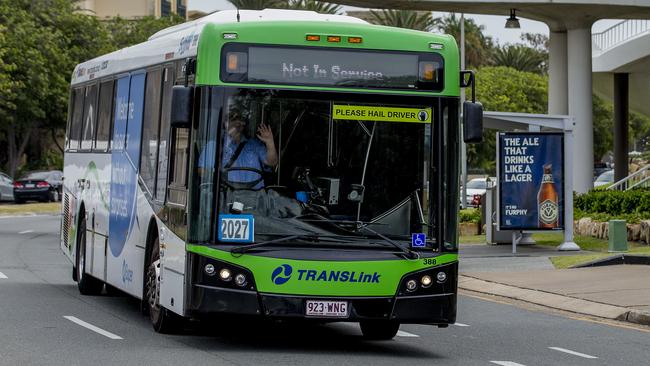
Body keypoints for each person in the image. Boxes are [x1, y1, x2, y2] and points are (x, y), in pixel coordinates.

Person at [220, 108, 277, 190]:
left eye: (240, 119)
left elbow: (272, 162)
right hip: (226, 197)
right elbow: (202, 171)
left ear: (244, 123)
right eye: (233, 119)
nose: (237, 123)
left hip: (255, 197)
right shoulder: (216, 144)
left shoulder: (254, 144)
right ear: (226, 123)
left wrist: (270, 143)